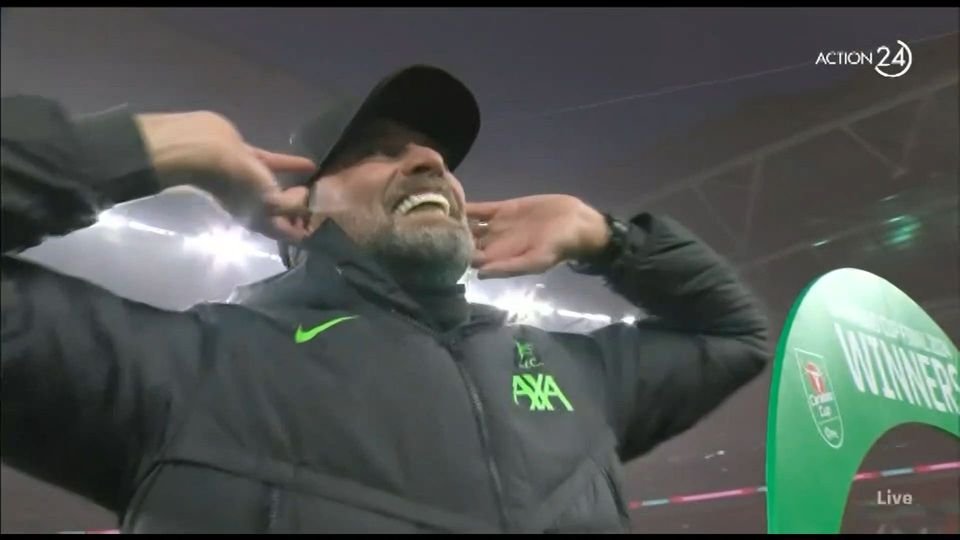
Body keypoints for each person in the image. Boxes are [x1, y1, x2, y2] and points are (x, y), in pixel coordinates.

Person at [1, 65, 770, 533]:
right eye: (378, 152)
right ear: (301, 214)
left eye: (435, 156)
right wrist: (149, 149)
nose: (430, 162)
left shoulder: (577, 374)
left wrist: (612, 240)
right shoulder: (186, 371)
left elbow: (735, 336)